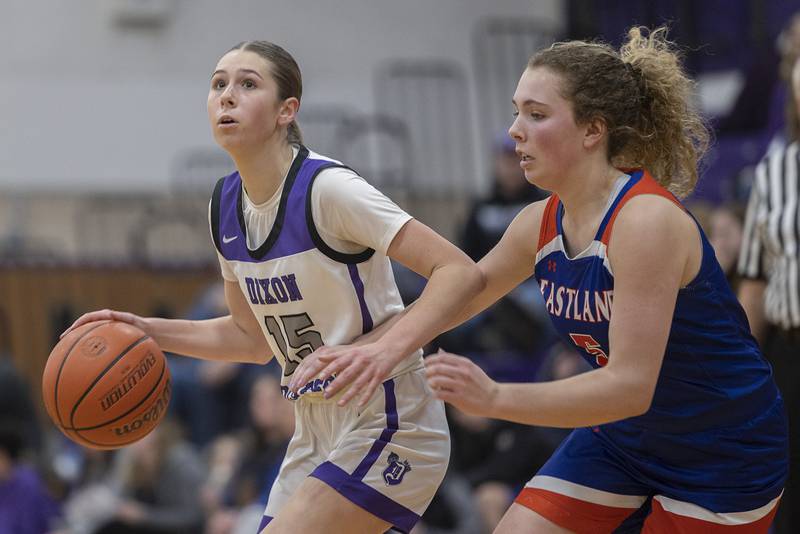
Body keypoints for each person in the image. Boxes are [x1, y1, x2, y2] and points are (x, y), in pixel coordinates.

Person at [310, 26, 787, 532]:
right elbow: (460, 298)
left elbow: (629, 386)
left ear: (592, 131)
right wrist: (362, 350)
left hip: (720, 448)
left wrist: (495, 398)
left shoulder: (645, 223)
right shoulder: (536, 223)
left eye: (536, 115)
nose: (515, 130)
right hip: (627, 439)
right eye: (517, 111)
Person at [63, 40, 484, 534]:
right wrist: (147, 331)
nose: (227, 96)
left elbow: (460, 272)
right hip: (314, 429)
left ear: (288, 110)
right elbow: (251, 339)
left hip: (392, 417)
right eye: (219, 84)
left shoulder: (328, 190)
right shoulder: (224, 205)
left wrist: (380, 352)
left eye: (247, 84)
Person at [737, 56, 800, 534]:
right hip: (789, 348)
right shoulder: (774, 170)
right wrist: (740, 368)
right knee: (788, 490)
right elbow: (754, 280)